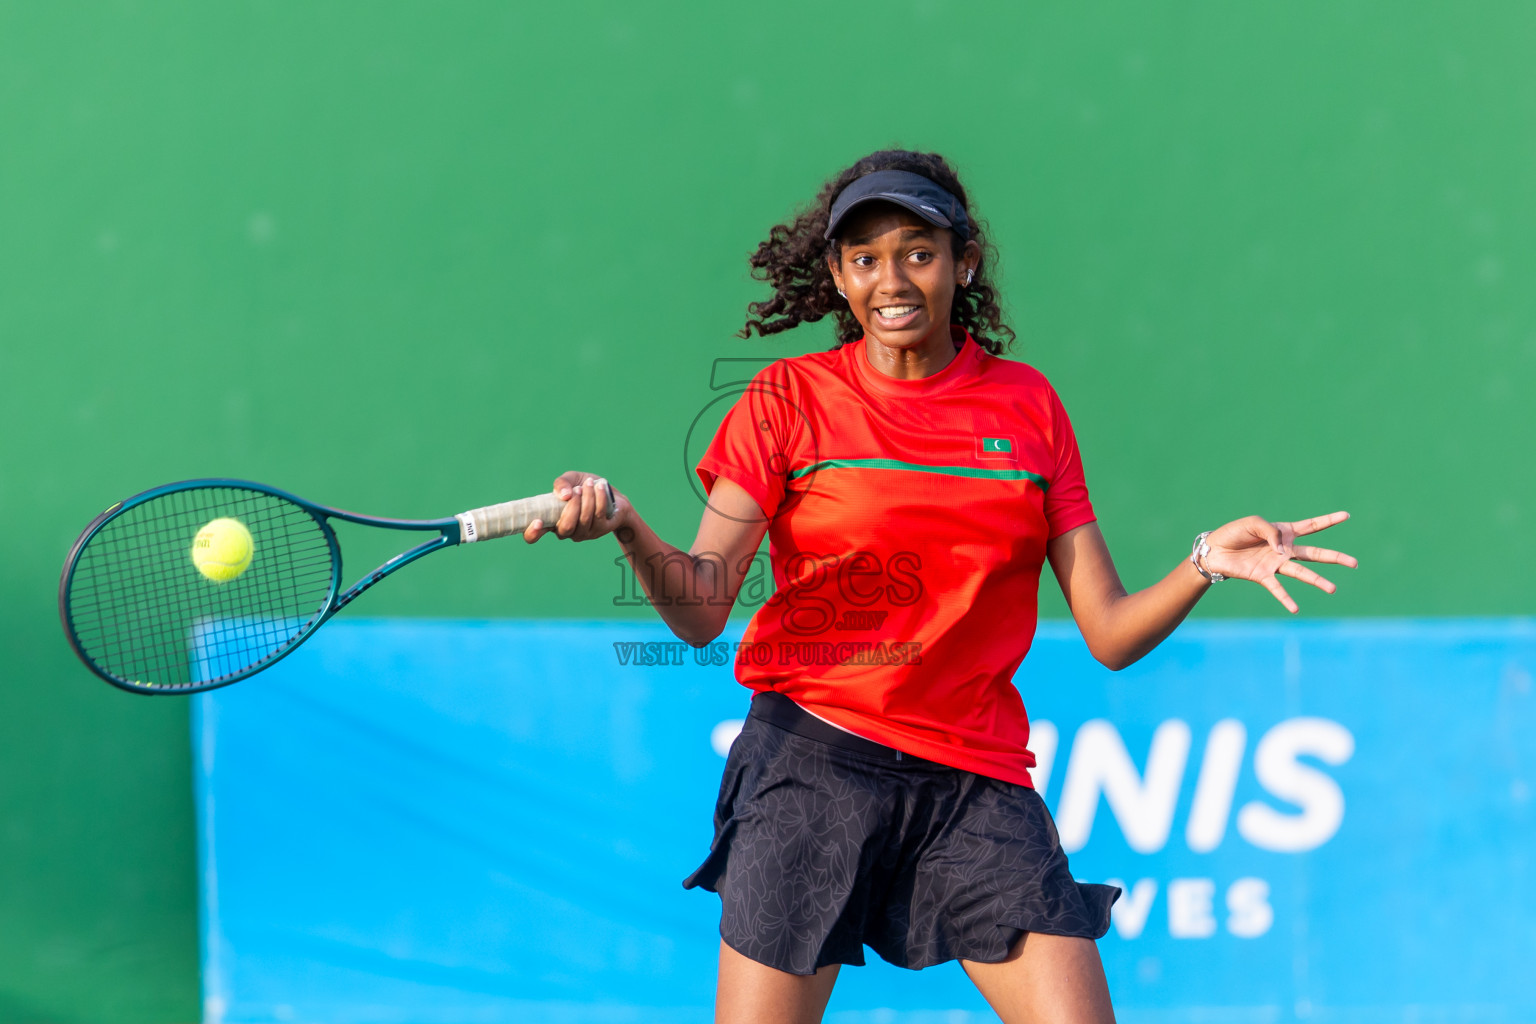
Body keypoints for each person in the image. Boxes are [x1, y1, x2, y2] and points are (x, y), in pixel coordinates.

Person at [523, 150, 1356, 1024]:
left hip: (973, 785)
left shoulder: (1029, 409)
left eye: (918, 251)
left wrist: (1202, 565)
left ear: (965, 262)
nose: (892, 278)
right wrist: (625, 523)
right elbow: (698, 612)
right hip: (811, 767)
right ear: (840, 278)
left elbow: (1108, 632)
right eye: (865, 258)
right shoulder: (785, 401)